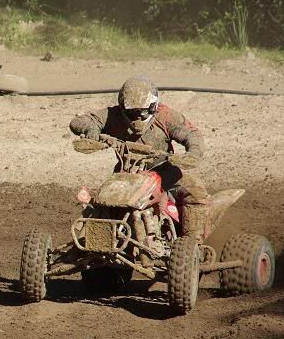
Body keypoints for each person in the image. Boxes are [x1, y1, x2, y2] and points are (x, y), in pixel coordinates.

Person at [69, 75, 210, 240]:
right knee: (102, 200)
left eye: (142, 112)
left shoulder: (166, 116)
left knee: (195, 192)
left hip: (164, 171)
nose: (137, 117)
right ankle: (93, 236)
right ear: (122, 107)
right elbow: (80, 121)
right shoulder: (113, 115)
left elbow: (192, 134)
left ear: (153, 106)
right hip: (126, 172)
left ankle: (193, 242)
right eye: (132, 112)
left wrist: (193, 153)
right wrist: (91, 129)